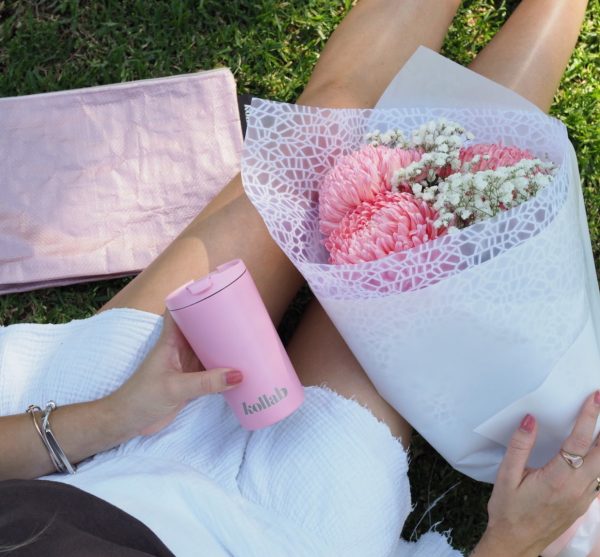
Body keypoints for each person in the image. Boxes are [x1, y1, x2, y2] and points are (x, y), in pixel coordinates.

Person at [0, 0, 593, 555]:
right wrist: (510, 541)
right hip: (297, 531)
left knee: (324, 123)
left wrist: (113, 415)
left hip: (80, 438)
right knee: (440, 236)